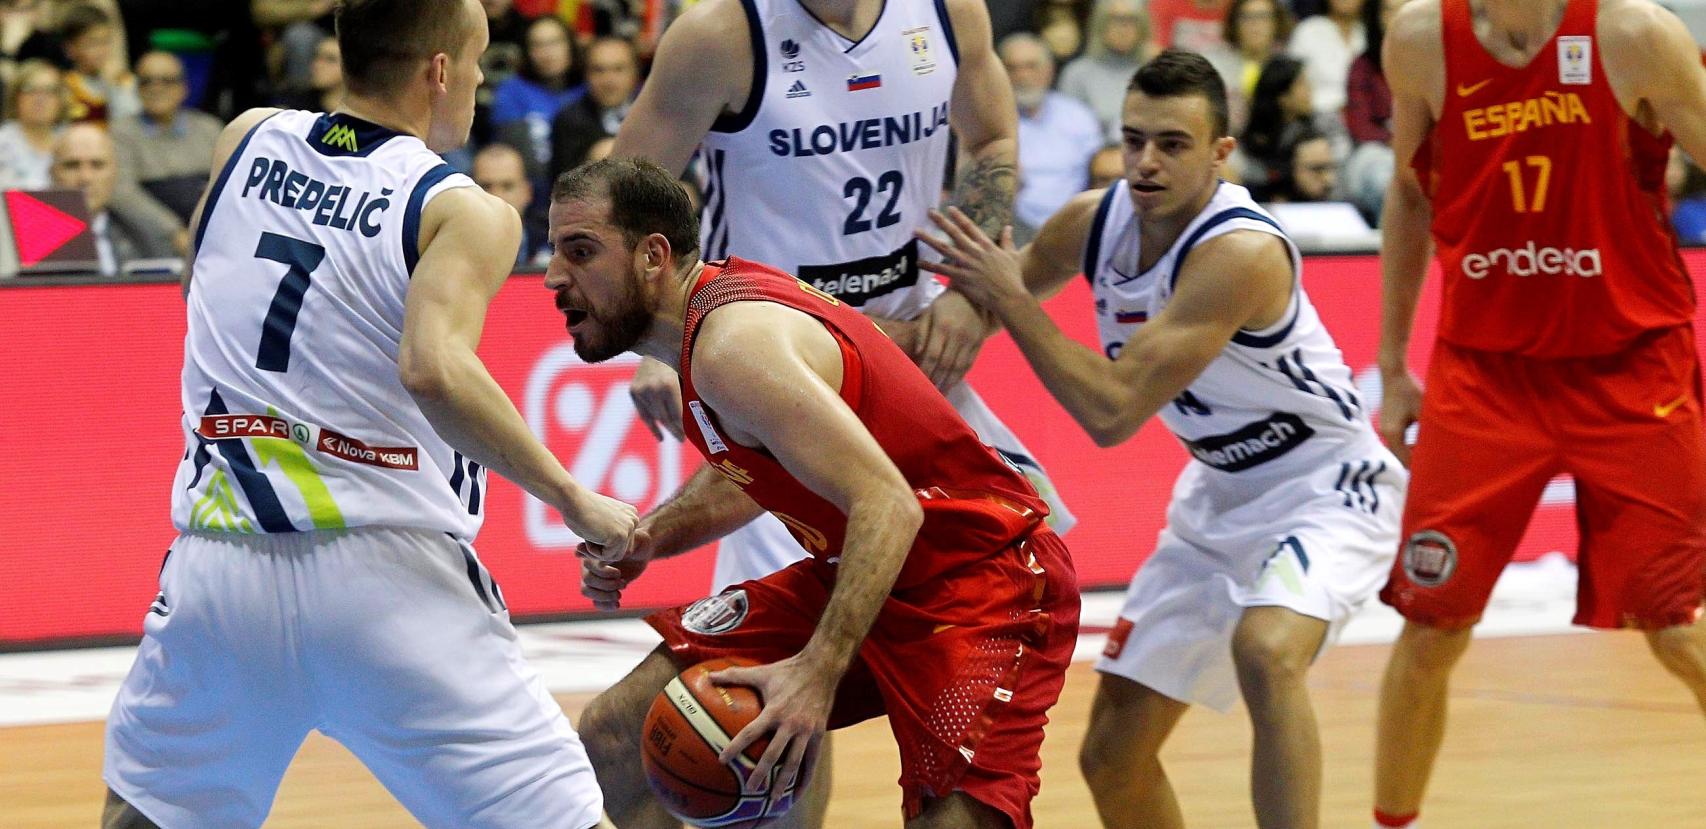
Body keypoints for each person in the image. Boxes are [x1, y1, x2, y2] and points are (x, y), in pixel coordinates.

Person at [100, 1, 636, 827]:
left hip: (224, 562)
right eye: (480, 60)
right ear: (440, 71)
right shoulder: (461, 208)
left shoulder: (244, 136)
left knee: (145, 815)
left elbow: (202, 285)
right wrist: (575, 496)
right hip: (389, 572)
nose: (483, 78)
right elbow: (433, 366)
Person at [608, 4, 1075, 820]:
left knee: (1005, 571)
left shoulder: (944, 10)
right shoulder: (720, 35)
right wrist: (659, 343)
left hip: (911, 366)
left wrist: (970, 295)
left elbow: (994, 138)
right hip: (775, 382)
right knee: (760, 720)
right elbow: (626, 195)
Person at [917, 50, 1403, 829]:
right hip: (1218, 493)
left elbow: (1111, 412)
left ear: (1220, 153)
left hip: (1326, 486)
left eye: (1172, 144)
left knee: (1267, 650)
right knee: (1111, 753)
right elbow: (980, 307)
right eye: (1134, 138)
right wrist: (875, 341)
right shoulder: (1093, 219)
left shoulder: (1237, 251)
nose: (1145, 162)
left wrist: (1005, 292)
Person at [1373, 2, 1706, 828]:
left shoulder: (1635, 35)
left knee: (1677, 630)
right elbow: (1411, 198)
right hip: (1483, 373)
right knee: (1429, 627)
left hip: (1630, 370)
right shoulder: (1420, 39)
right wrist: (1390, 362)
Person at [109, 51, 225, 250]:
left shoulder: (210, 128)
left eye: (167, 81)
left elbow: (229, 188)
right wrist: (173, 231)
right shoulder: (120, 132)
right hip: (148, 240)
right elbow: (122, 193)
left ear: (184, 88)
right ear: (137, 89)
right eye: (147, 81)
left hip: (210, 234)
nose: (156, 88)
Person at [1005, 32, 1106, 238]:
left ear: (1049, 70)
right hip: (1012, 225)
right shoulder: (992, 119)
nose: (1022, 76)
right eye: (1013, 68)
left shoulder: (1078, 115)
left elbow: (1099, 172)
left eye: (1031, 66)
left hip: (1074, 222)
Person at [50, 122, 172, 275]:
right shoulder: (28, 241)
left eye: (97, 165)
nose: (85, 178)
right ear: (52, 173)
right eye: (72, 165)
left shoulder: (146, 235)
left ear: (115, 173)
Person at [545, 35, 636, 184]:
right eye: (599, 70)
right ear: (586, 75)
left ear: (635, 73)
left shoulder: (654, 117)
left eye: (618, 69)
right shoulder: (568, 121)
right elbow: (561, 186)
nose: (609, 80)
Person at [1058, 0, 1154, 138]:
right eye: (1116, 19)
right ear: (1100, 24)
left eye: (1131, 20)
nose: (1124, 28)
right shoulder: (1077, 74)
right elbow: (1068, 132)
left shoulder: (1154, 73)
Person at [472, 141, 550, 267]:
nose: (497, 196)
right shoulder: (451, 249)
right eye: (486, 186)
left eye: (507, 186)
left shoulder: (554, 244)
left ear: (527, 192)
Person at [0, 58, 65, 190]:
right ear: (15, 96)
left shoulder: (70, 142)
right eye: (30, 89)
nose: (40, 98)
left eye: (49, 90)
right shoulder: (2, 142)